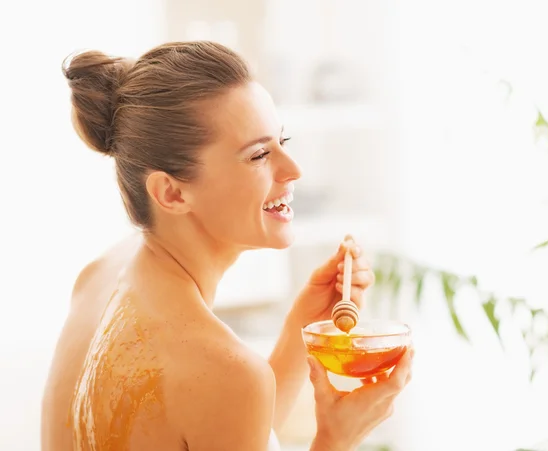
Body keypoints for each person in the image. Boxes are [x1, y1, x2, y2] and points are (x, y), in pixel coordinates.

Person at [41, 40, 413, 451]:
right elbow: (224, 398)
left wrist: (300, 325)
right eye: (257, 156)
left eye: (281, 142)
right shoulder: (224, 372)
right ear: (171, 193)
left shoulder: (102, 274)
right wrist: (337, 439)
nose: (293, 171)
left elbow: (219, 427)